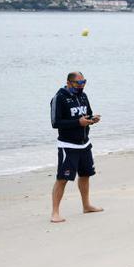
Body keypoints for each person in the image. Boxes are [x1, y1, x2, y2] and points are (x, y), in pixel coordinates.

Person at [49, 71, 103, 223]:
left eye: (84, 82)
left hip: (84, 144)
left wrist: (92, 119)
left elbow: (88, 114)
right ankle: (55, 212)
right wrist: (77, 123)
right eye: (78, 83)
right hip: (68, 146)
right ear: (69, 83)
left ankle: (86, 205)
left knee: (85, 175)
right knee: (62, 178)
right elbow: (55, 123)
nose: (82, 85)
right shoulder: (59, 98)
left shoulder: (83, 96)